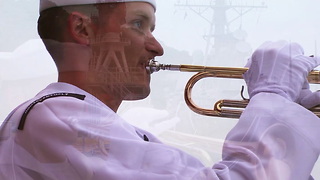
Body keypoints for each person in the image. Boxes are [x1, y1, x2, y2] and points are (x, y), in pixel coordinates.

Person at [0, 0, 320, 179]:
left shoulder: (91, 125)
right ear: (83, 29)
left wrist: (291, 114)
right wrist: (274, 98)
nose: (157, 47)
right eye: (138, 24)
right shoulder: (60, 117)